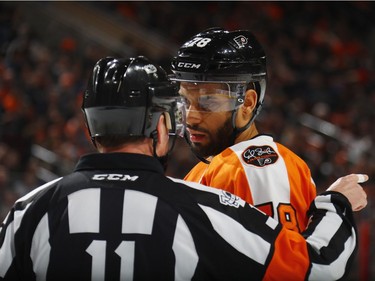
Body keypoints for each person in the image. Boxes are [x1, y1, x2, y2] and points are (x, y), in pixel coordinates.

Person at [0, 56, 368, 281]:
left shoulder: (29, 211)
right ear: (162, 127)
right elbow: (320, 265)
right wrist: (334, 203)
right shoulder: (202, 209)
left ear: (90, 129)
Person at [171, 27, 316, 232]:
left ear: (247, 103)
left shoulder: (255, 169)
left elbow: (285, 263)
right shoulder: (207, 168)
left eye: (209, 102)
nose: (191, 116)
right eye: (185, 100)